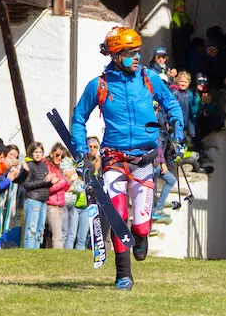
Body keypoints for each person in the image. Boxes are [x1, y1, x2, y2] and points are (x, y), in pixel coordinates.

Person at [71, 26, 184, 290]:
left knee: (141, 227)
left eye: (137, 52)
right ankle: (123, 275)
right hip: (113, 160)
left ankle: (140, 234)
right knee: (118, 217)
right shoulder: (98, 85)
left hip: (144, 160)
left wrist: (177, 132)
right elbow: (78, 118)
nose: (137, 57)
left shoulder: (149, 78)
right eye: (130, 53)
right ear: (115, 55)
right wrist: (81, 153)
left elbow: (172, 104)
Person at [22, 142, 51, 249]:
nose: (38, 154)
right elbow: (26, 184)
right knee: (31, 229)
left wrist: (51, 182)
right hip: (33, 200)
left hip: (43, 200)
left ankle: (36, 251)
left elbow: (45, 183)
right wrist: (44, 181)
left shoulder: (44, 166)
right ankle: (29, 251)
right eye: (35, 152)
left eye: (40, 152)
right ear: (31, 153)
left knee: (40, 229)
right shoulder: (29, 165)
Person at [45, 143, 71, 249]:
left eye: (62, 156)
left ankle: (49, 253)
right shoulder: (47, 167)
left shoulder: (60, 169)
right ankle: (59, 253)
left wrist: (68, 181)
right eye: (57, 155)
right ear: (52, 154)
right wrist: (63, 181)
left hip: (60, 205)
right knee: (58, 234)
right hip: (51, 205)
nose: (59, 158)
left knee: (53, 233)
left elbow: (63, 189)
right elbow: (49, 189)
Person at [61, 155, 88, 250]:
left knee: (81, 236)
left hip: (84, 206)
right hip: (72, 205)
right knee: (69, 233)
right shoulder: (67, 162)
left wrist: (75, 180)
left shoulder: (85, 167)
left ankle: (78, 252)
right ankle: (66, 252)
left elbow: (81, 187)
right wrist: (73, 180)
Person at [170, 0, 195, 71]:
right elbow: (179, 30)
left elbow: (188, 30)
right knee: (180, 62)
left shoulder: (185, 16)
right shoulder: (176, 16)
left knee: (186, 60)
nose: (183, 7)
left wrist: (192, 28)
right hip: (178, 43)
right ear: (176, 7)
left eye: (183, 5)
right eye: (180, 6)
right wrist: (190, 27)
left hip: (186, 42)